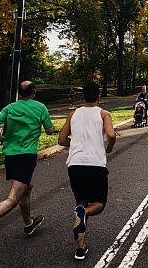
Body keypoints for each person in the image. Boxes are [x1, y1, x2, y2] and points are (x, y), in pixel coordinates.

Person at [0, 81, 55, 254]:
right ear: (34, 92)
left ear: (19, 93)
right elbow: (50, 131)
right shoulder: (40, 107)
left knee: (27, 188)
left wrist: (3, 140)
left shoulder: (10, 108)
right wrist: (49, 127)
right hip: (26, 156)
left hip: (10, 156)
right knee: (13, 198)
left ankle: (28, 225)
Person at [58, 82, 116, 261]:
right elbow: (112, 135)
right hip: (95, 164)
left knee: (81, 202)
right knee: (98, 204)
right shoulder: (103, 114)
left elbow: (61, 139)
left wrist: (75, 145)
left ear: (83, 96)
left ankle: (80, 247)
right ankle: (85, 214)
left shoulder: (73, 113)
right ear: (98, 96)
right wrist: (109, 147)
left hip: (75, 165)